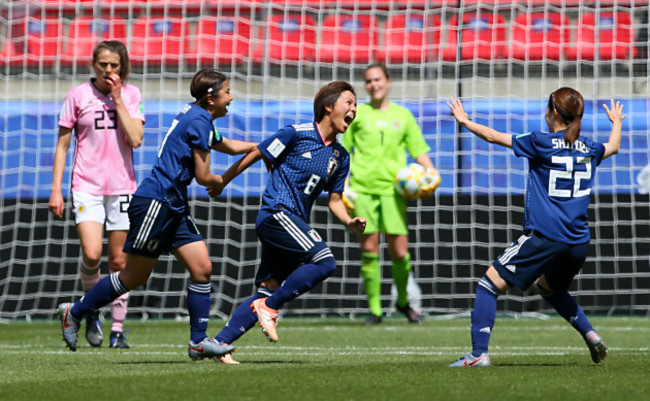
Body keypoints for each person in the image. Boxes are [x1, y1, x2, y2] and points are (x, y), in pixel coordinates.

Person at [57, 68, 256, 360]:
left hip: (173, 204)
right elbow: (203, 177)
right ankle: (74, 312)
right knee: (132, 276)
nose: (231, 98)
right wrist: (220, 182)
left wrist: (257, 147)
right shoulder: (199, 120)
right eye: (227, 92)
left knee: (202, 268)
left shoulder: (197, 115)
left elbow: (225, 144)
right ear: (211, 98)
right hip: (157, 202)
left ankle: (198, 342)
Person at [446, 88, 625, 367]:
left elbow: (494, 136)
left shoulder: (540, 141)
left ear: (553, 112)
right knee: (550, 289)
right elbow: (613, 147)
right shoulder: (589, 147)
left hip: (545, 235)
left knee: (488, 285)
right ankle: (589, 333)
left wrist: (465, 120)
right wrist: (617, 123)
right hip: (578, 242)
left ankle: (479, 354)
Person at [210, 81, 366, 364]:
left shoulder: (340, 157)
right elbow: (257, 152)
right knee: (325, 261)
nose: (354, 110)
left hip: (291, 222)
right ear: (328, 107)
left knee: (266, 287)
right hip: (277, 214)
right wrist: (223, 181)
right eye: (349, 103)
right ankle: (270, 307)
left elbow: (335, 200)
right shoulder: (296, 133)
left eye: (356, 105)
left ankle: (218, 343)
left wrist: (349, 222)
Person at [49, 41, 145, 348]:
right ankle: (90, 310)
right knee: (92, 254)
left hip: (122, 187)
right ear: (93, 65)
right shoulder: (77, 96)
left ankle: (117, 330)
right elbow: (63, 145)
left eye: (114, 65)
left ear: (123, 67)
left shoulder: (131, 94)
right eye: (103, 64)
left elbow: (136, 139)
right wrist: (56, 190)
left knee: (118, 261)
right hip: (86, 186)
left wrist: (118, 100)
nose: (108, 70)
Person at [341, 63, 439, 325]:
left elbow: (418, 149)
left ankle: (404, 302)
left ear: (388, 81)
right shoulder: (357, 115)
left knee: (399, 251)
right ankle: (374, 310)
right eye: (369, 81)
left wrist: (431, 172)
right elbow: (344, 152)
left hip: (394, 191)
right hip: (363, 189)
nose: (374, 85)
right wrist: (345, 185)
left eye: (377, 79)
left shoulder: (403, 115)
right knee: (369, 247)